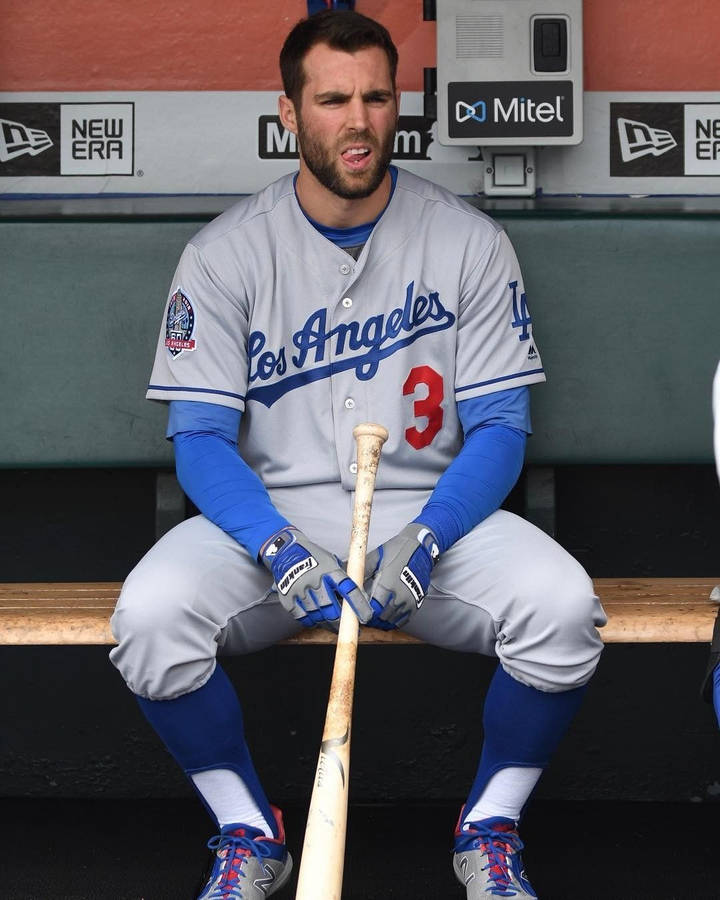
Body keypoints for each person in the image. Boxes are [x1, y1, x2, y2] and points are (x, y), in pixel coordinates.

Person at [109, 10, 606, 899]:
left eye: (377, 96)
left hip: (433, 516)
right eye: (333, 99)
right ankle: (248, 829)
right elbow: (199, 442)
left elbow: (500, 428)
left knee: (564, 610)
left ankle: (491, 823)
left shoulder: (469, 242)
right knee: (150, 620)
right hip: (270, 523)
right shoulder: (225, 254)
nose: (359, 120)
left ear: (398, 105)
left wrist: (431, 536)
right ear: (290, 112)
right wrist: (271, 542)